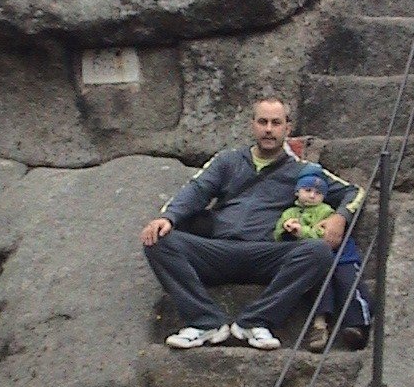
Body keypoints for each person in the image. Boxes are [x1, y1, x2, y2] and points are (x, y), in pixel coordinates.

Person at [140, 97, 365, 350]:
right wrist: (167, 217)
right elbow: (196, 190)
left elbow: (354, 192)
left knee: (318, 251)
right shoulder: (227, 161)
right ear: (252, 125)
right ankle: (205, 322)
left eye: (276, 123)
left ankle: (256, 321)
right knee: (157, 240)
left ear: (287, 129)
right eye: (263, 122)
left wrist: (340, 216)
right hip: (217, 250)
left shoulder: (303, 170)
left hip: (267, 254)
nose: (269, 129)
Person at [274, 163, 372, 352]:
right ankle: (320, 326)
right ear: (297, 192)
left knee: (348, 283)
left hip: (342, 256)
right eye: (307, 190)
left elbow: (323, 237)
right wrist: (285, 228)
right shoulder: (290, 213)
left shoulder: (326, 212)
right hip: (316, 260)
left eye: (317, 193)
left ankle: (358, 325)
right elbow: (278, 232)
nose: (312, 195)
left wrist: (301, 231)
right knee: (320, 284)